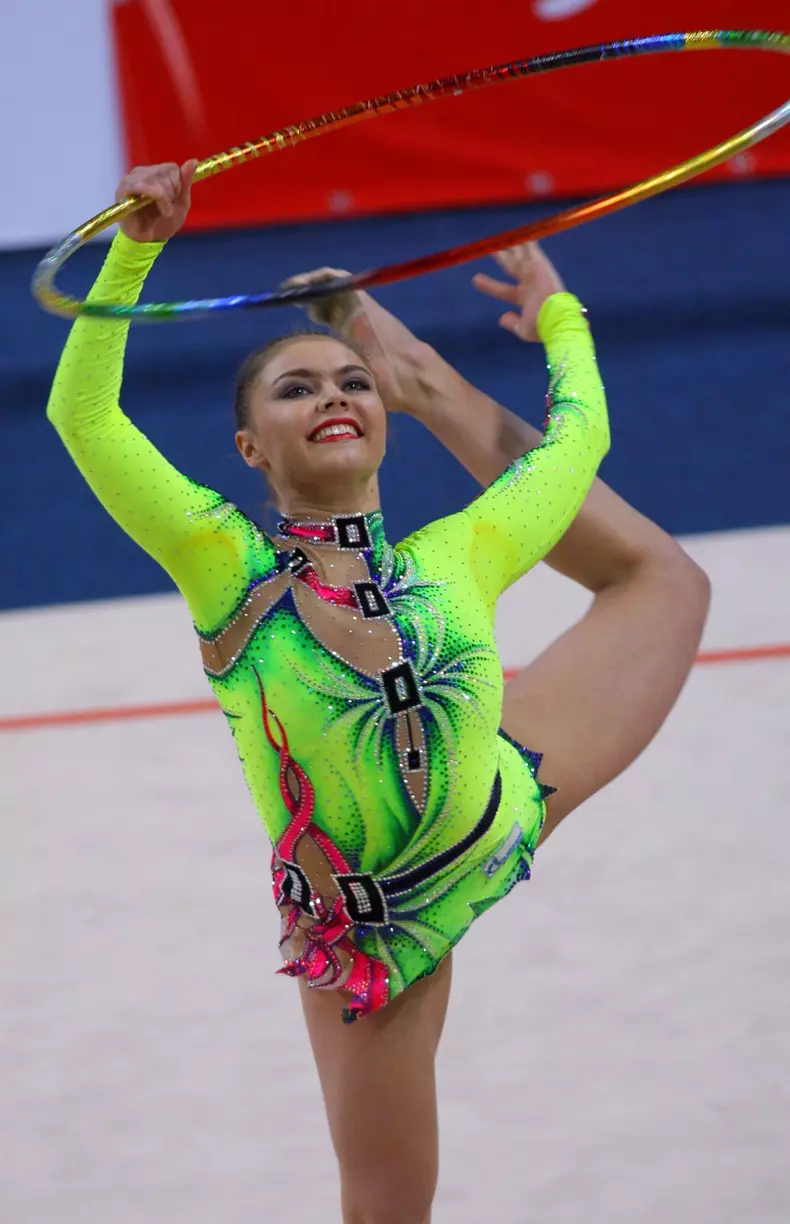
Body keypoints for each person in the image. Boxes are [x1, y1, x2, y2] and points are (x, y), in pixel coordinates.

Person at [47, 159, 709, 1224]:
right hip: (375, 931)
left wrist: (561, 321)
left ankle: (418, 374)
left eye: (349, 381)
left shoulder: (458, 555)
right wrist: (138, 248)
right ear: (248, 448)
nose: (330, 398)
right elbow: (83, 417)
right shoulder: (227, 567)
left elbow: (579, 442)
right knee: (390, 1208)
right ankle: (412, 369)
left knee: (665, 580)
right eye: (296, 389)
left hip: (506, 792)